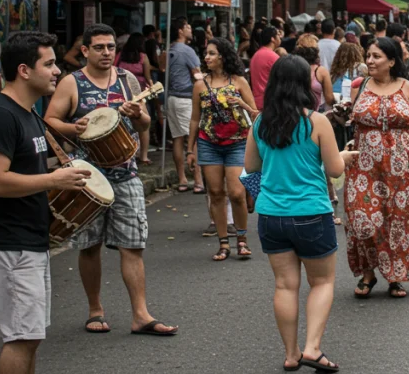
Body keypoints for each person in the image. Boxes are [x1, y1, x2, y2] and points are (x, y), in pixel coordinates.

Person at [44, 24, 177, 337]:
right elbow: (50, 120)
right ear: (85, 51)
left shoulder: (128, 80)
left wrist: (137, 115)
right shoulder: (71, 83)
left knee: (133, 245)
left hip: (126, 174)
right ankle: (95, 309)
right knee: (89, 246)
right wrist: (72, 129)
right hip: (87, 179)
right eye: (100, 47)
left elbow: (144, 124)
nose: (106, 53)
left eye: (110, 48)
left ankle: (141, 315)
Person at [0, 31, 91, 374]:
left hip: (28, 241)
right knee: (21, 338)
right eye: (50, 64)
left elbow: (27, 168)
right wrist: (54, 180)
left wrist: (62, 169)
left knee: (30, 336)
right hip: (7, 243)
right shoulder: (0, 116)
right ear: (24, 70)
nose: (58, 71)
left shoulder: (28, 113)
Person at [247, 54, 351, 372]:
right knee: (321, 282)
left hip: (271, 215)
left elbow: (251, 167)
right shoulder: (316, 121)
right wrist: (345, 154)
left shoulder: (260, 122)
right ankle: (312, 348)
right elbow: (334, 170)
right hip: (311, 213)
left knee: (284, 286)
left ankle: (291, 354)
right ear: (306, 84)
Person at [346, 37, 409, 299]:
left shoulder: (408, 88)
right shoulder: (360, 86)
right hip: (364, 164)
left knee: (397, 220)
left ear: (391, 61)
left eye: (376, 57)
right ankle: (369, 272)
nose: (370, 61)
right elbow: (350, 118)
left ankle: (396, 275)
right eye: (368, 56)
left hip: (401, 165)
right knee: (362, 218)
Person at [188, 38, 258, 260]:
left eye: (211, 53)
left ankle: (242, 240)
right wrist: (190, 150)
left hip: (237, 142)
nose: (206, 57)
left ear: (223, 56)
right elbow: (194, 120)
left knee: (237, 193)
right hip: (209, 144)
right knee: (216, 193)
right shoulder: (200, 85)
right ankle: (223, 243)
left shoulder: (238, 82)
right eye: (206, 53)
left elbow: (256, 114)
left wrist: (242, 105)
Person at [166, 17, 204, 193]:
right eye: (188, 26)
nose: (190, 29)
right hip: (185, 97)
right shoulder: (186, 50)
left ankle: (182, 179)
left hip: (171, 98)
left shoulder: (169, 49)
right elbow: (197, 75)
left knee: (177, 139)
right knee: (193, 139)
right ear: (181, 30)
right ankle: (197, 180)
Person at [116, 32, 154, 165]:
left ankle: (126, 154)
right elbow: (148, 77)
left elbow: (113, 69)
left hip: (120, 92)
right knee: (144, 125)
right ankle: (143, 155)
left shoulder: (120, 55)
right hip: (139, 95)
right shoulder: (143, 57)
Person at [250, 26, 281, 112]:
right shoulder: (272, 56)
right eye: (278, 35)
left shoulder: (256, 54)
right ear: (272, 39)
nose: (280, 37)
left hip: (258, 101)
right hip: (270, 103)